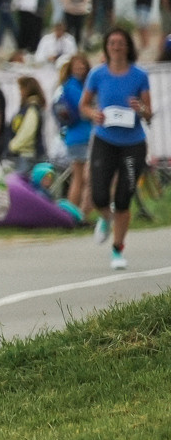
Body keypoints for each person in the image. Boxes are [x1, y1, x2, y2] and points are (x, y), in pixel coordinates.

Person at [82, 25, 153, 270]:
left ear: (128, 47)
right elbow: (84, 105)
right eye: (111, 43)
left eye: (120, 43)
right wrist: (94, 114)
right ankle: (105, 218)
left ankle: (117, 249)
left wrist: (140, 108)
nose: (116, 47)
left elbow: (149, 114)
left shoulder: (139, 76)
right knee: (99, 194)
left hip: (132, 143)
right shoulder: (98, 74)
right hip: (105, 139)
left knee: (124, 198)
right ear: (106, 47)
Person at [55, 52, 94, 211]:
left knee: (78, 178)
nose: (80, 69)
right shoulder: (74, 86)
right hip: (81, 136)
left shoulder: (69, 85)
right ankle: (80, 213)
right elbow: (84, 107)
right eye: (77, 66)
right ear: (71, 68)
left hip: (74, 136)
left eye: (83, 66)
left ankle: (73, 214)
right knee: (86, 178)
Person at [6, 77, 47, 175]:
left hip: (27, 156)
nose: (19, 92)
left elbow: (27, 132)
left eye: (21, 88)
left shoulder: (32, 108)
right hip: (23, 156)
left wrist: (12, 146)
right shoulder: (28, 108)